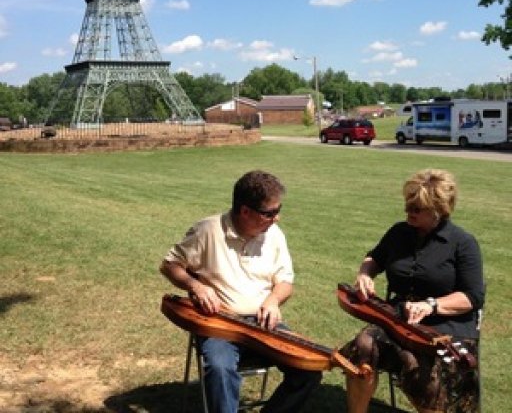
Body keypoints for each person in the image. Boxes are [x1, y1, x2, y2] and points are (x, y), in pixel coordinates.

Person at [160, 170, 322, 413]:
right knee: (220, 368)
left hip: (263, 322)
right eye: (270, 213)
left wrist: (273, 300)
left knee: (309, 369)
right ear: (245, 211)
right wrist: (196, 286)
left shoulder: (274, 235)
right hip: (220, 323)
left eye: (279, 210)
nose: (277, 218)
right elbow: (169, 265)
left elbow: (285, 281)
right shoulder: (207, 230)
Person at [341, 168, 484, 413]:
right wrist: (365, 274)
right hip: (398, 318)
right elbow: (374, 258)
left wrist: (431, 305)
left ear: (438, 210)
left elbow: (472, 296)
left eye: (416, 209)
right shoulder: (399, 232)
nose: (408, 212)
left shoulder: (463, 243)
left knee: (422, 368)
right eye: (408, 205)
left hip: (447, 326)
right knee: (363, 345)